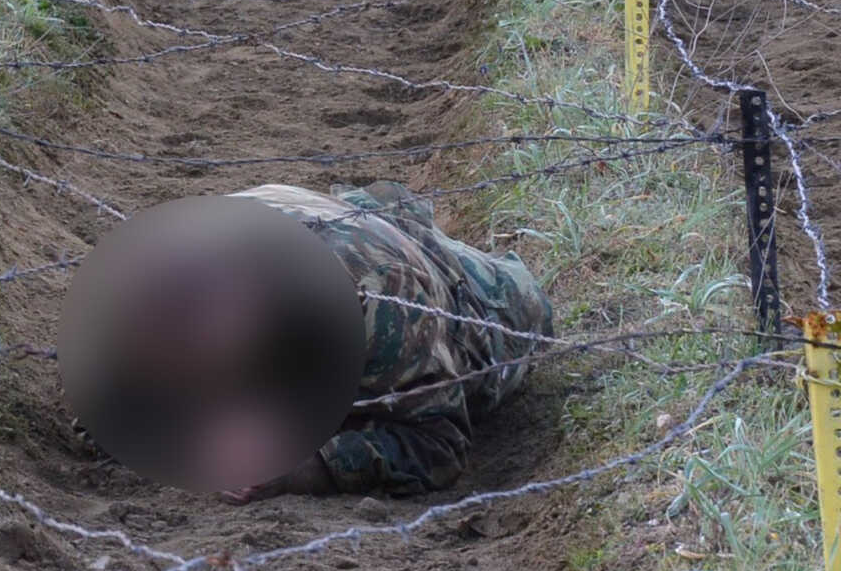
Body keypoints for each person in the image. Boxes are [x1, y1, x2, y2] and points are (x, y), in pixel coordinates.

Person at [61, 182, 555, 501]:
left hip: (476, 307)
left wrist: (304, 467)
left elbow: (438, 445)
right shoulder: (140, 285)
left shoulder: (379, 303)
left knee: (517, 323)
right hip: (337, 217)